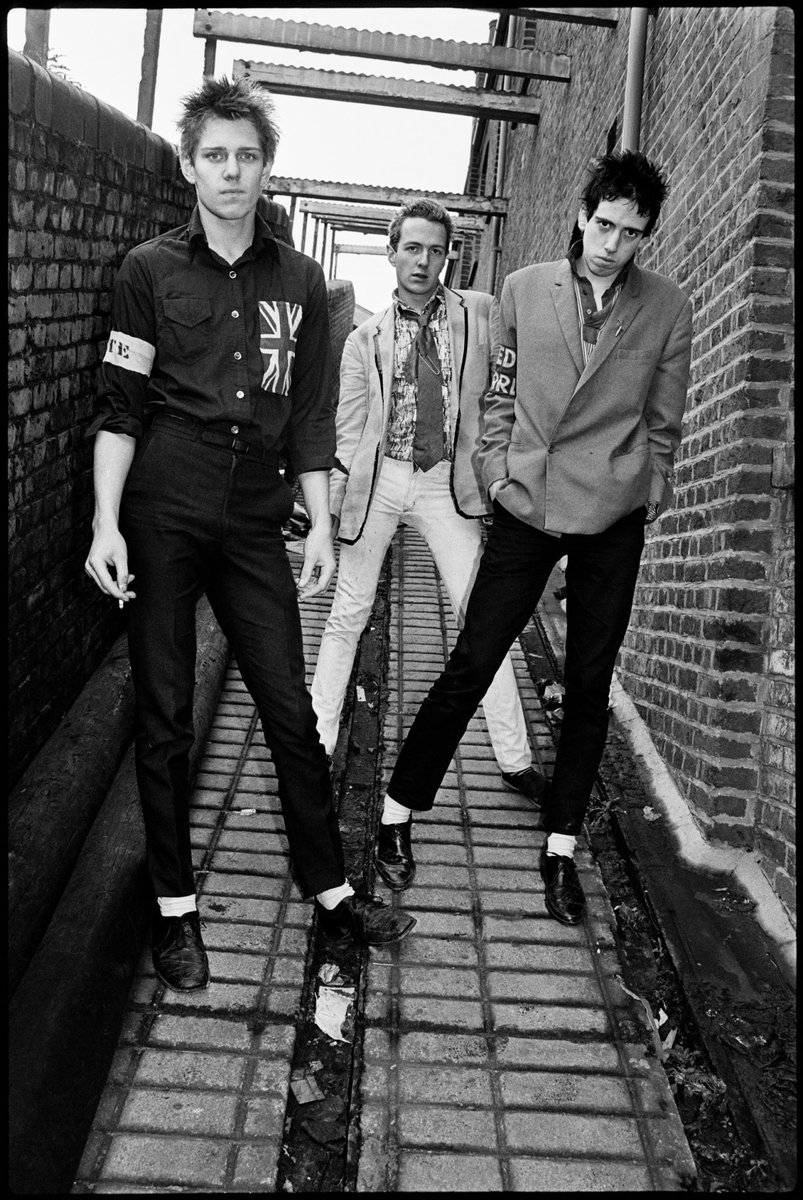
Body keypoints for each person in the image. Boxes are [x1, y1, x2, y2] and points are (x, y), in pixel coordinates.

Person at [84, 76, 415, 992]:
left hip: (258, 509)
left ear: (268, 170)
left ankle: (332, 887)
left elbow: (310, 414)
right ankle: (175, 911)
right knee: (165, 714)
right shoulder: (147, 271)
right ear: (188, 166)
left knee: (286, 703)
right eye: (215, 156)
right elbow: (119, 410)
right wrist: (106, 523)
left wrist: (317, 526)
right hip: (165, 498)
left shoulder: (299, 281)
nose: (232, 171)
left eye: (248, 156)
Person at [378, 151, 693, 924]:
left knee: (589, 686)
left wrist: (644, 492)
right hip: (526, 502)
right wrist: (493, 472)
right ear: (583, 215)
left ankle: (558, 848)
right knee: (472, 659)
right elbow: (496, 391)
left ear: (645, 235)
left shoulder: (665, 307)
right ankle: (395, 812)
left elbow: (663, 420)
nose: (612, 244)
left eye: (631, 232)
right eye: (604, 224)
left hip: (611, 513)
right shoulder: (522, 290)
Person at [310, 197, 545, 892]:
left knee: (485, 621)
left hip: (448, 483)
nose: (421, 261)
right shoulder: (364, 339)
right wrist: (329, 507)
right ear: (391, 252)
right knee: (348, 609)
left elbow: (511, 371)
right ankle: (316, 743)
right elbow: (349, 430)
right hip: (383, 479)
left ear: (448, 256)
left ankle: (514, 757)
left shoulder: (476, 312)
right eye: (410, 248)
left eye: (434, 250)